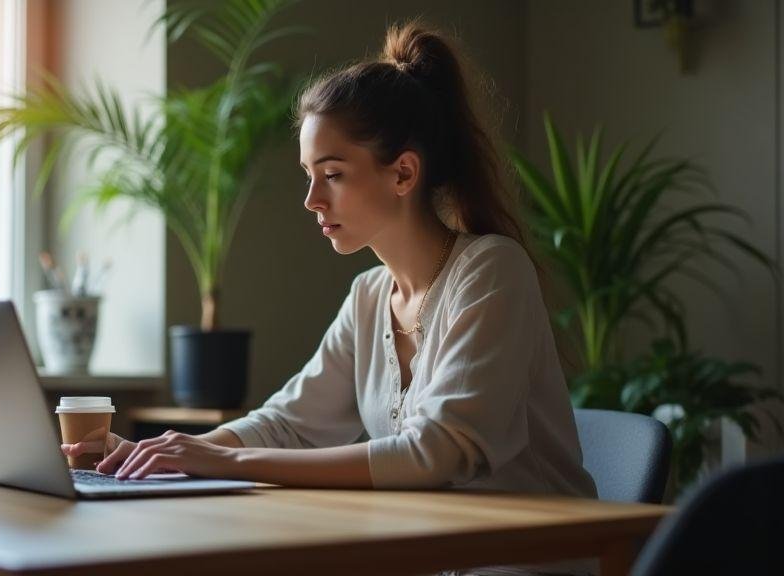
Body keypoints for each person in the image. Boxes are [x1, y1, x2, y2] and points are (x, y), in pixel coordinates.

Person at [62, 20, 597, 575]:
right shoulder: (369, 296)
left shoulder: (491, 271)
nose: (312, 199)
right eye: (308, 175)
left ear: (404, 173)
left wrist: (224, 459)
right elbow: (289, 423)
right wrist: (165, 457)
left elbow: (437, 453)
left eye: (333, 174)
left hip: (530, 565)